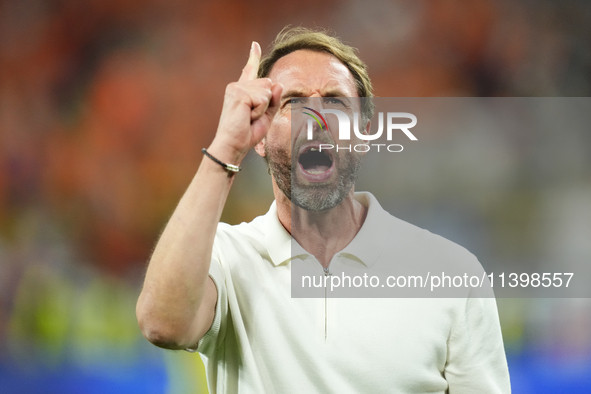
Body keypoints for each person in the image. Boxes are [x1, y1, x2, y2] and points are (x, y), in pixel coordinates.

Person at [136, 27, 511, 393]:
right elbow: (162, 325)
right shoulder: (222, 257)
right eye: (294, 101)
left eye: (334, 100)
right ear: (261, 138)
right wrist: (226, 147)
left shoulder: (451, 273)